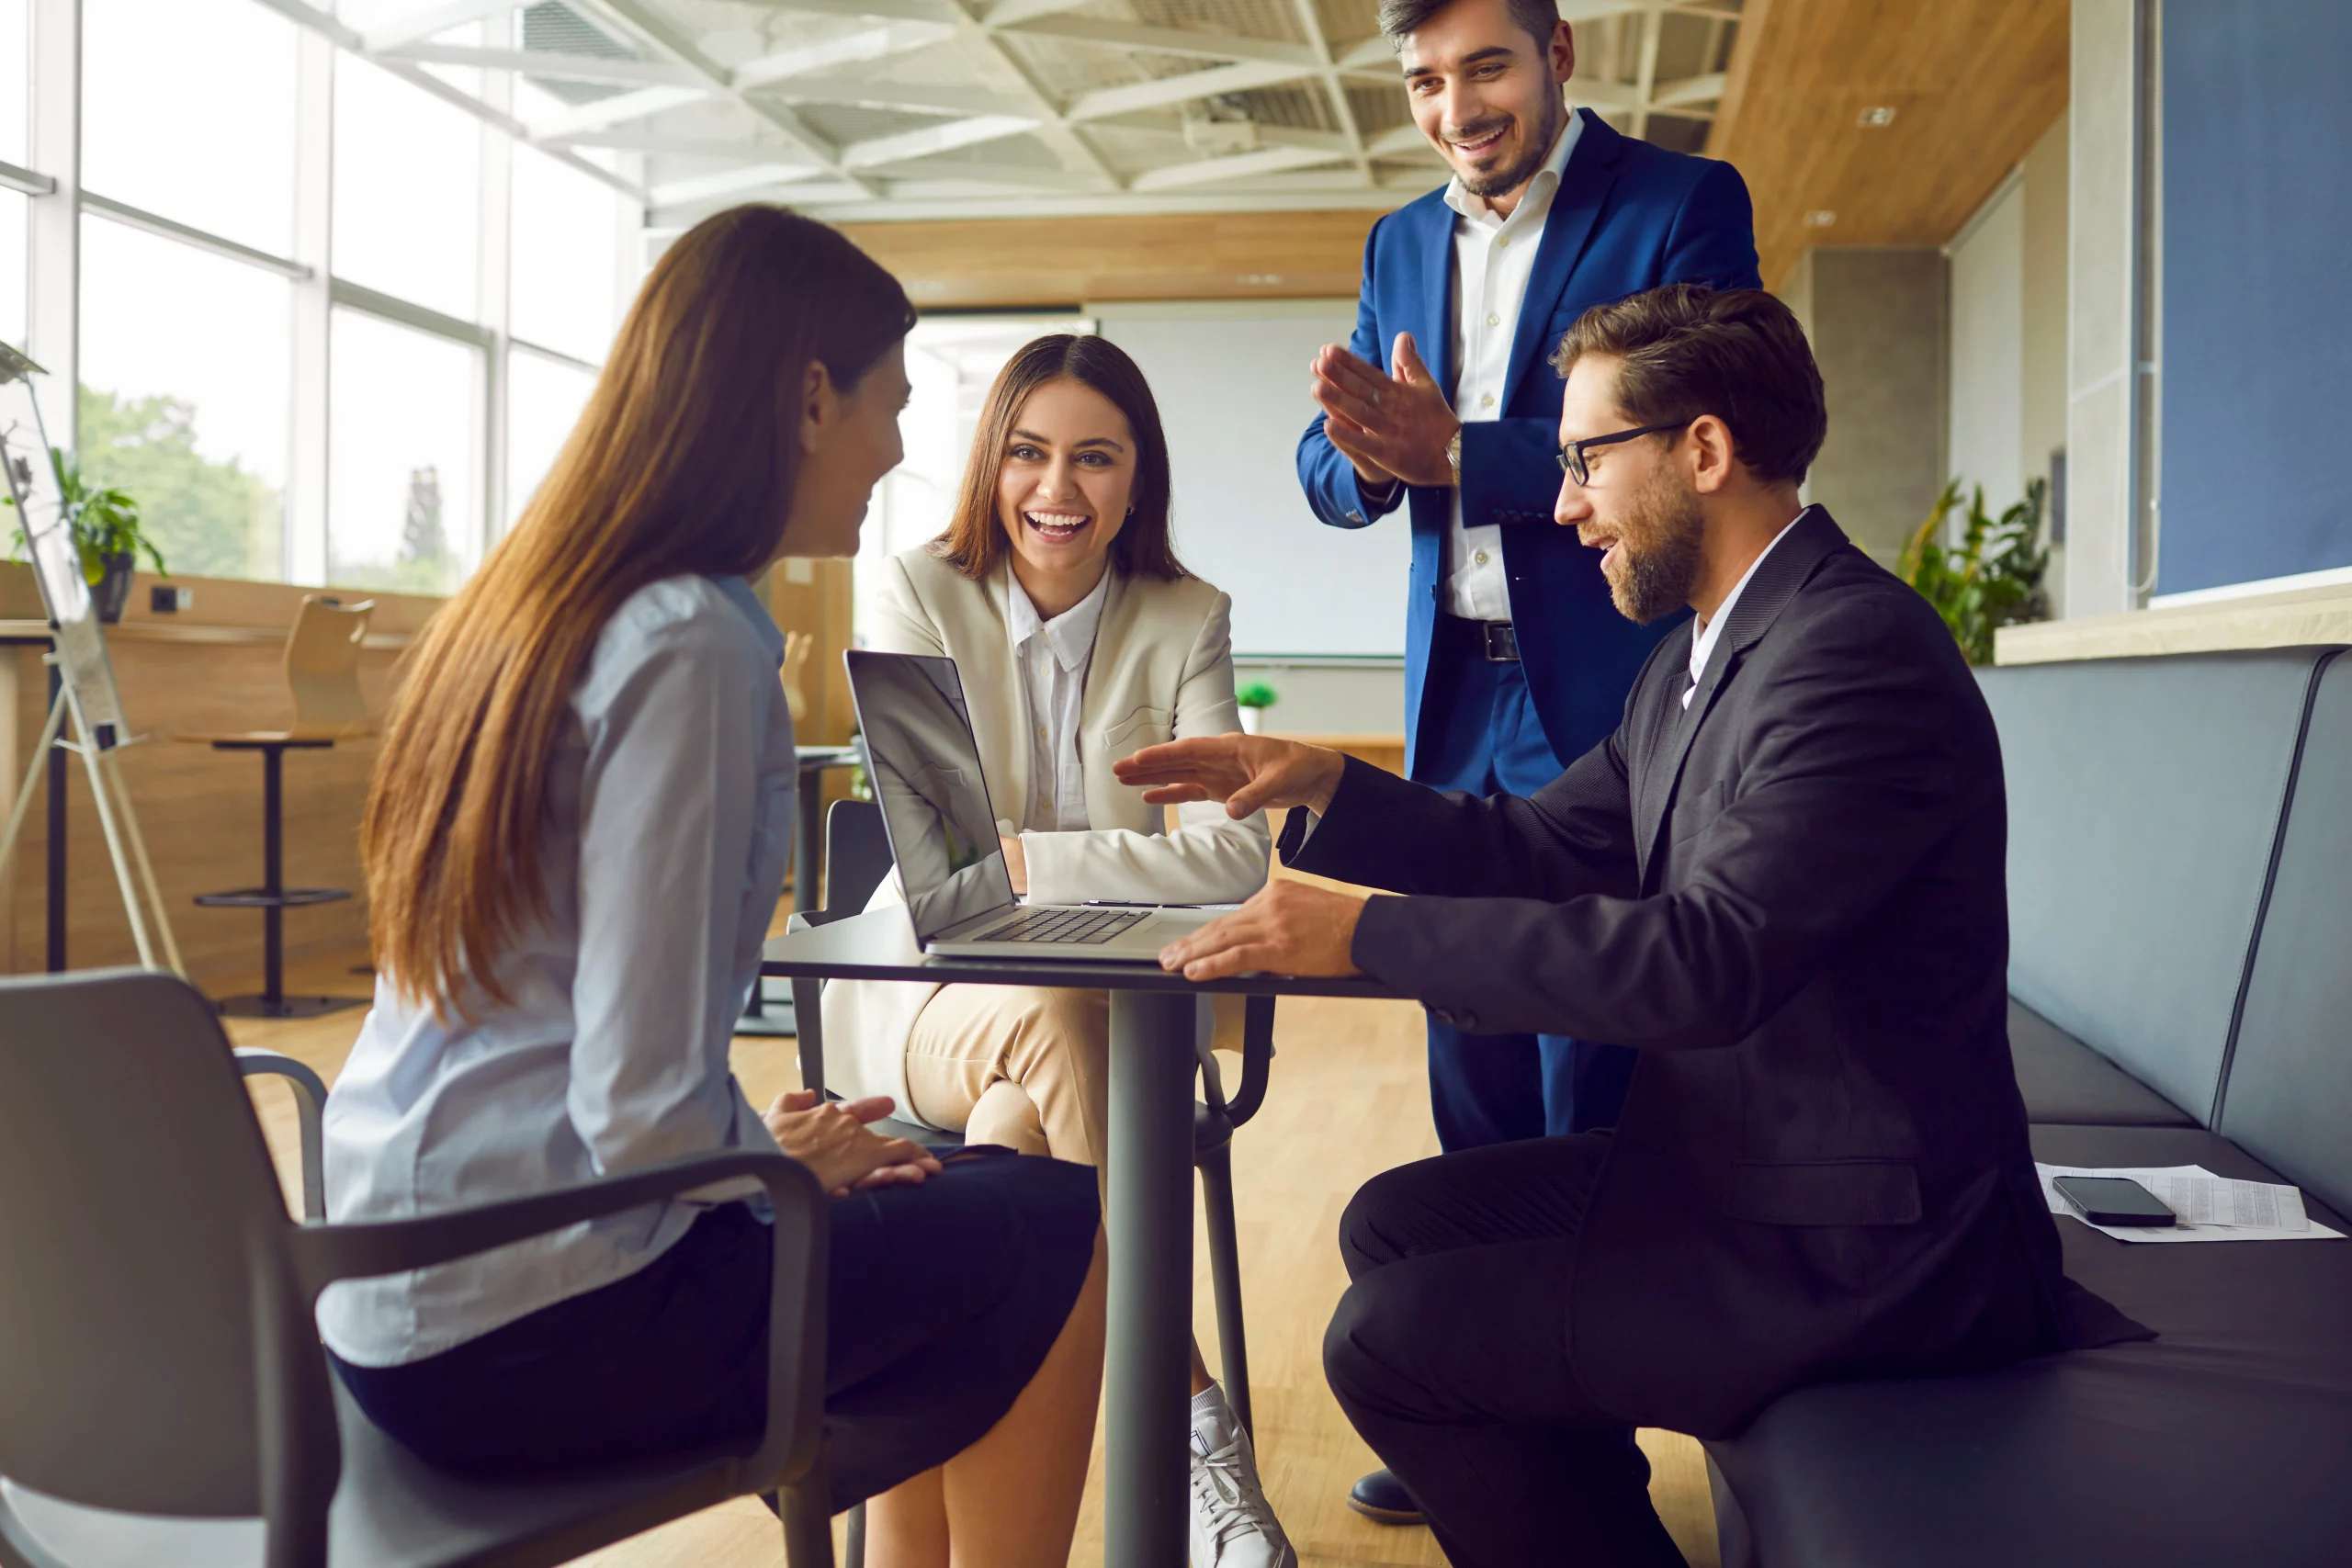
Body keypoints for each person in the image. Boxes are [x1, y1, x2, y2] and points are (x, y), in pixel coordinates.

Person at [1123, 285, 2145, 1567]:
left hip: (1865, 1243)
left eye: (1585, 460)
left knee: (1386, 1339)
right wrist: (1330, 783)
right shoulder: (1699, 654)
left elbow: (1706, 962)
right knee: (1395, 1224)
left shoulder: (1852, 653)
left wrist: (1367, 932)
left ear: (1704, 451)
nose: (1561, 507)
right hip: (1742, 1171)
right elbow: (1542, 846)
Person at [318, 206, 1107, 1568]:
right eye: (891, 405)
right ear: (810, 398)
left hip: (392, 1300)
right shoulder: (694, 639)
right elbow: (635, 1110)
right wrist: (753, 1172)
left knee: (963, 1183)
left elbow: (576, 1044)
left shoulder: (533, 606)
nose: (904, 451)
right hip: (538, 1327)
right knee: (1055, 1219)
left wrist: (744, 1151)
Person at [1296, 0, 1762, 1521]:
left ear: (1561, 55)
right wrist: (1364, 456)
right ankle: (1477, 1391)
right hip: (1456, 700)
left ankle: (1594, 1429)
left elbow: (1714, 409)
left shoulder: (1680, 204)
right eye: (1425, 82)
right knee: (1472, 1054)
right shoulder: (1392, 247)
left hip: (1607, 701)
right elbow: (1330, 466)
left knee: (1593, 1072)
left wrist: (1463, 452)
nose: (1456, 109)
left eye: (1485, 68)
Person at [820, 333, 1291, 1568]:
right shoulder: (913, 588)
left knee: (1012, 1142)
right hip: (925, 1000)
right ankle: (1189, 1415)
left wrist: (1038, 860)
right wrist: (1057, 865)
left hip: (1114, 1021)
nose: (1057, 490)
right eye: (1028, 453)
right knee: (1048, 1019)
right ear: (991, 467)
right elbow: (946, 874)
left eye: (1095, 457)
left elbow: (1233, 858)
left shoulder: (1187, 616)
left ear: (1139, 480)